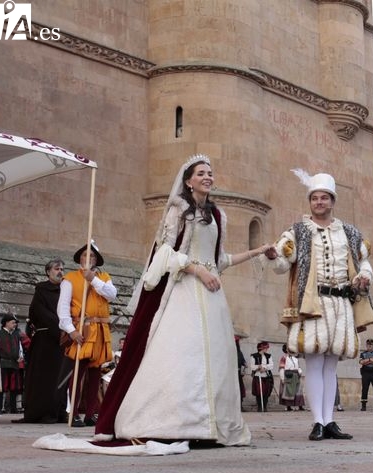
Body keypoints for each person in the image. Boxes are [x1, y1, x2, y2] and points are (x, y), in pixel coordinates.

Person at [93, 154, 274, 446]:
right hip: (185, 289)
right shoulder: (178, 211)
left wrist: (257, 251)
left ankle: (209, 428)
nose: (207, 177)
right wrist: (197, 270)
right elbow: (164, 253)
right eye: (201, 173)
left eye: (210, 173)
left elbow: (220, 259)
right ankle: (178, 424)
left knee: (216, 356)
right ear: (188, 181)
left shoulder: (217, 216)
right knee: (185, 352)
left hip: (212, 295)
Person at [268, 169, 373, 441]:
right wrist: (272, 257)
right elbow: (283, 265)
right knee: (314, 363)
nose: (319, 202)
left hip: (341, 303)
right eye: (315, 198)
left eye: (324, 198)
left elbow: (364, 263)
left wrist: (364, 276)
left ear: (332, 201)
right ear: (310, 202)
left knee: (331, 365)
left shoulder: (350, 233)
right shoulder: (298, 232)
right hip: (312, 302)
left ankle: (329, 421)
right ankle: (317, 420)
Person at [58, 240, 117, 428]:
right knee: (77, 374)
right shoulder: (69, 279)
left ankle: (91, 414)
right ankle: (73, 413)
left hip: (100, 331)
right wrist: (71, 331)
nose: (87, 258)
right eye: (85, 255)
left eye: (91, 256)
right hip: (81, 331)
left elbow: (111, 295)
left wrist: (93, 279)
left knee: (95, 374)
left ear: (96, 260)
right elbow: (63, 309)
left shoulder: (104, 277)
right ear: (80, 258)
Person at [13, 259, 67, 424]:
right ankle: (41, 412)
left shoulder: (66, 289)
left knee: (60, 378)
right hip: (46, 341)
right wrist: (61, 329)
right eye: (57, 269)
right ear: (48, 272)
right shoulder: (41, 290)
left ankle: (58, 411)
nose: (60, 271)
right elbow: (40, 312)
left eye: (62, 269)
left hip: (63, 341)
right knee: (43, 378)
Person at [0, 314, 23, 414]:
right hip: (3, 363)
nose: (15, 324)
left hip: (14, 364)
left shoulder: (16, 334)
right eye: (13, 322)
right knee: (2, 387)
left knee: (14, 387)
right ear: (6, 323)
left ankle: (13, 408)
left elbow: (19, 347)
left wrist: (20, 356)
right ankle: (0, 408)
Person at [278, 344, 305, 411]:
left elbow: (298, 366)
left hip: (296, 376)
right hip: (289, 376)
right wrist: (282, 378)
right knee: (289, 391)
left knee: (298, 390)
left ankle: (299, 405)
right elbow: (281, 368)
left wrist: (300, 371)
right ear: (286, 350)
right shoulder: (284, 358)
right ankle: (288, 406)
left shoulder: (295, 358)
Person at [359, 338, 373, 411]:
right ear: (366, 345)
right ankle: (363, 406)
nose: (370, 346)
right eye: (368, 345)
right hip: (365, 374)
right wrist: (371, 360)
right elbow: (361, 362)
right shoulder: (363, 353)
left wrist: (368, 360)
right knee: (364, 389)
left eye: (371, 345)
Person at [251, 341, 274, 412]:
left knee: (266, 392)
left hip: (266, 376)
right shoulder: (254, 356)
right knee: (259, 392)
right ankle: (260, 407)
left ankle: (265, 406)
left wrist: (264, 368)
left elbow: (271, 365)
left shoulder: (268, 356)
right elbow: (252, 366)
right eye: (265, 348)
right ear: (261, 348)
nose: (267, 349)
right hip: (258, 376)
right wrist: (258, 367)